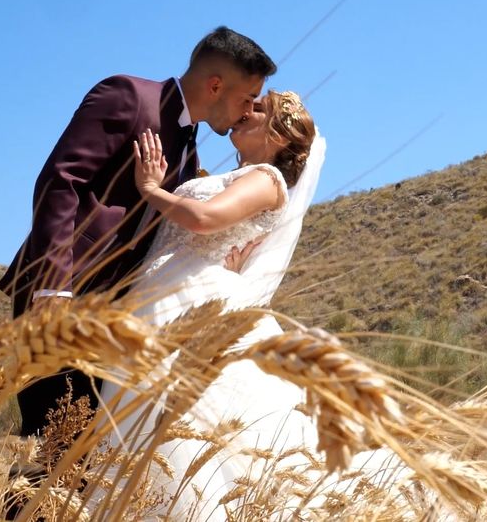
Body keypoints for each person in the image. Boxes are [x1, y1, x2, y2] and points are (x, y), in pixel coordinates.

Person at [0, 26, 276, 438]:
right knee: (45, 441)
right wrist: (53, 288)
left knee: (78, 455)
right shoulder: (127, 95)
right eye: (246, 98)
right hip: (65, 294)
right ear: (216, 85)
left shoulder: (189, 147)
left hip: (117, 317)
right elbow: (60, 182)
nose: (247, 111)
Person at [96, 90, 326, 520]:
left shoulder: (267, 179)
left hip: (187, 300)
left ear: (277, 135)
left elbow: (204, 220)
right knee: (139, 416)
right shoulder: (243, 175)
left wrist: (150, 188)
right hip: (161, 294)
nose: (244, 111)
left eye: (257, 110)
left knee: (177, 423)